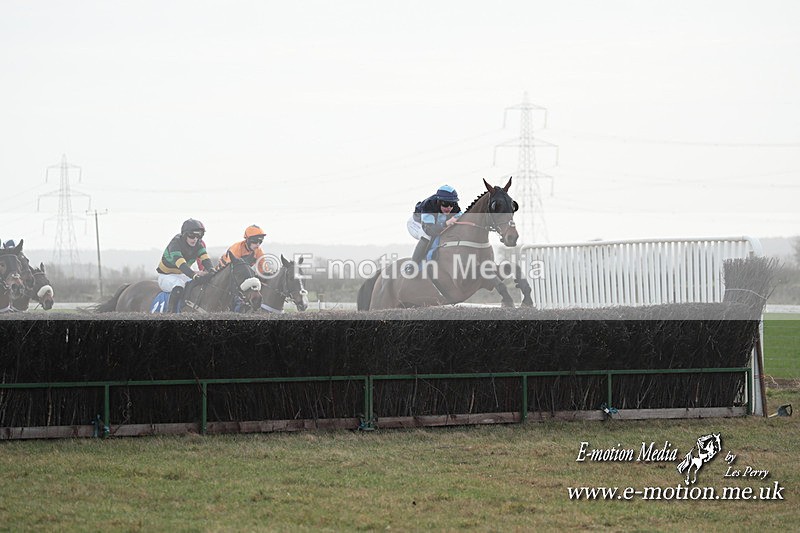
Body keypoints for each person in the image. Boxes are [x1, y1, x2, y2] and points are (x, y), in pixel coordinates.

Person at [156, 218, 214, 312]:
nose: (195, 239)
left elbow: (206, 260)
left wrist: (212, 270)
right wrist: (194, 276)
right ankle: (170, 313)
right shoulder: (175, 244)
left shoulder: (198, 244)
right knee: (179, 286)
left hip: (182, 274)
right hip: (166, 276)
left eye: (198, 236)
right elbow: (182, 265)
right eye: (192, 235)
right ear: (185, 234)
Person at [406, 184, 462, 269]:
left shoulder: (454, 207)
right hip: (416, 224)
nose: (449, 208)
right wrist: (446, 223)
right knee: (427, 236)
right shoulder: (429, 205)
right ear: (438, 201)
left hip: (434, 225)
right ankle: (412, 265)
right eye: (446, 204)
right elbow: (430, 230)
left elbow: (462, 217)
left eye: (452, 204)